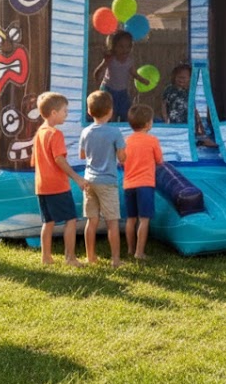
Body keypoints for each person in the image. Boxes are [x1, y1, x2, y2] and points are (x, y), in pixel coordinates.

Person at [32, 92, 87, 266]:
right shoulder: (55, 134)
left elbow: (34, 161)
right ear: (54, 113)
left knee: (48, 222)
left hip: (42, 186)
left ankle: (46, 257)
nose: (67, 114)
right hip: (58, 186)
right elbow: (59, 159)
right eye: (65, 111)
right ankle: (70, 258)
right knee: (70, 220)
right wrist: (77, 178)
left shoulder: (40, 132)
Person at [79, 90, 127, 266]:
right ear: (110, 111)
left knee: (91, 221)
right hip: (107, 182)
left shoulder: (86, 132)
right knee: (112, 222)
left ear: (89, 112)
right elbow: (122, 158)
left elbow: (82, 155)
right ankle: (115, 260)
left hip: (89, 180)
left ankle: (90, 257)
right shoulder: (115, 133)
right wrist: (122, 154)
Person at [122, 104, 163, 260]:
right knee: (144, 219)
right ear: (148, 123)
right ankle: (140, 253)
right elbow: (159, 160)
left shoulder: (126, 141)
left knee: (131, 219)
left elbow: (122, 161)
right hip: (145, 184)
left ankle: (130, 250)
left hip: (128, 185)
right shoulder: (152, 140)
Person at [93, 31, 147, 122]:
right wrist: (104, 63)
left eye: (128, 46)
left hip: (122, 92)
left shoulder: (129, 61)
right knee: (110, 114)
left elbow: (134, 73)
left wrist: (143, 80)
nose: (125, 50)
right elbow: (97, 74)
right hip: (108, 90)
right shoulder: (111, 60)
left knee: (126, 114)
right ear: (114, 47)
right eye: (121, 46)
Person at [162, 62, 217, 147]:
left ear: (190, 79)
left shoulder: (191, 91)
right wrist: (166, 119)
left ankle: (202, 141)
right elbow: (164, 105)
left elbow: (195, 107)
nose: (181, 79)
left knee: (195, 133)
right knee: (177, 136)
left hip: (188, 118)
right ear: (174, 77)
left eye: (184, 77)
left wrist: (198, 121)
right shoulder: (169, 89)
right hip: (174, 119)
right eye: (179, 77)